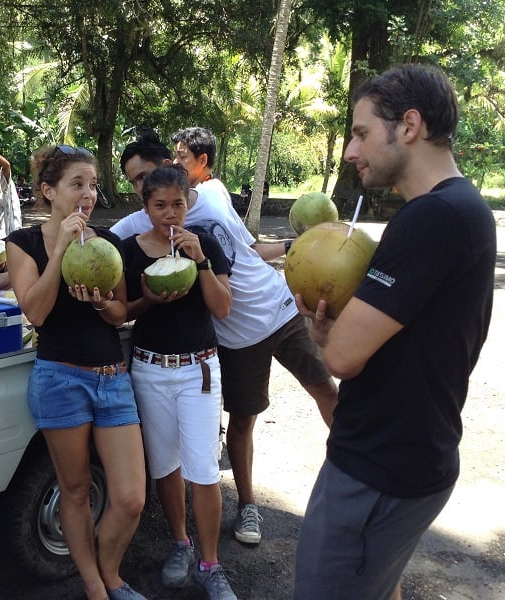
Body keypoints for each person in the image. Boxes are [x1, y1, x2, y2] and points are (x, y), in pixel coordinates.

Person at [292, 64, 496, 600]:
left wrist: (327, 336)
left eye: (361, 133)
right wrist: (335, 335)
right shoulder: (465, 207)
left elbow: (343, 358)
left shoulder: (431, 218)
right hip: (412, 453)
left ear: (408, 125)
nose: (350, 152)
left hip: (379, 467)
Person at [112, 127, 338, 545]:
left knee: (326, 389)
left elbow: (249, 248)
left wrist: (296, 245)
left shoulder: (213, 195)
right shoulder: (140, 223)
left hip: (279, 307)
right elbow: (96, 244)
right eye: (135, 182)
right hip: (235, 336)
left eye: (145, 174)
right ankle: (248, 505)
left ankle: (353, 476)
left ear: (169, 167)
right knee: (242, 421)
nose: (143, 186)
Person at [6, 144, 147, 600]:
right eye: (77, 184)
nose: (88, 194)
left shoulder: (108, 243)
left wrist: (103, 304)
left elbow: (120, 313)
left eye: (93, 185)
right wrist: (61, 250)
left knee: (131, 497)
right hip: (60, 380)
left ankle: (110, 570)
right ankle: (96, 586)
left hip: (112, 378)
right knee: (76, 489)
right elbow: (36, 312)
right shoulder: (23, 243)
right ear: (49, 191)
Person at [122, 165, 237, 599]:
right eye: (160, 206)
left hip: (198, 369)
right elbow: (123, 312)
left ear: (188, 203)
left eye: (177, 204)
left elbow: (222, 307)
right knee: (165, 466)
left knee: (203, 470)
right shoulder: (130, 251)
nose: (170, 214)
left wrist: (200, 261)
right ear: (146, 207)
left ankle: (210, 564)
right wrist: (148, 300)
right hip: (150, 368)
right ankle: (180, 543)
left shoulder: (204, 243)